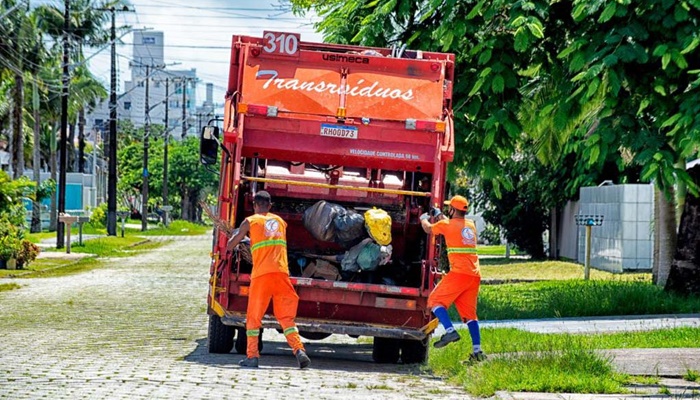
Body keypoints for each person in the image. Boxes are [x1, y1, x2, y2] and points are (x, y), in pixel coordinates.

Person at [226, 190, 311, 369]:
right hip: (281, 273)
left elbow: (231, 244)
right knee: (286, 318)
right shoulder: (280, 222)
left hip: (262, 275)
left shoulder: (250, 221)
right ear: (270, 205)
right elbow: (268, 238)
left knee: (254, 318)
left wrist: (235, 238)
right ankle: (299, 350)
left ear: (255, 205)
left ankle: (252, 356)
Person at [420, 195, 486, 362]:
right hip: (474, 275)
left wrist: (424, 218)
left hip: (459, 273)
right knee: (470, 315)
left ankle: (450, 332)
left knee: (435, 301)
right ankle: (477, 352)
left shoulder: (446, 224)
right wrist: (439, 214)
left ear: (452, 210)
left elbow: (428, 229)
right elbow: (452, 225)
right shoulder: (470, 225)